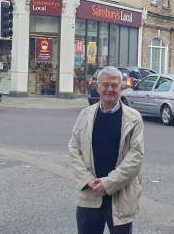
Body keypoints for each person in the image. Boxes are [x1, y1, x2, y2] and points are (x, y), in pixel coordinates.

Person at [68, 66, 144, 234]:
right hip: (90, 194)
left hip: (120, 196)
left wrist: (108, 183)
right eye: (105, 85)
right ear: (98, 87)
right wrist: (88, 179)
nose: (110, 89)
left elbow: (136, 157)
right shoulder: (85, 114)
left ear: (121, 88)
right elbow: (74, 149)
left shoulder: (133, 118)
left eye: (114, 86)